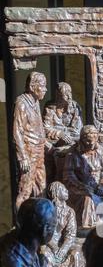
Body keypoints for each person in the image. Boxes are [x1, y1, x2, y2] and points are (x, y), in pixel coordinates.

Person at [63, 125, 103, 229]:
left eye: (94, 141)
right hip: (78, 186)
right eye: (88, 141)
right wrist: (81, 185)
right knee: (88, 198)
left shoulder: (101, 151)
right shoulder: (73, 153)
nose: (91, 144)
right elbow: (68, 174)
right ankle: (87, 226)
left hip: (96, 184)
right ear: (82, 139)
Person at [13, 72, 48, 209]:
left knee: (41, 187)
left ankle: (40, 222)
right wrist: (23, 157)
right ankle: (21, 227)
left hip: (39, 153)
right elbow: (17, 131)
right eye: (43, 86)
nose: (45, 89)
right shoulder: (21, 103)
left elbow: (39, 127)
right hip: (29, 153)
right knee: (25, 191)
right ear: (33, 87)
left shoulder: (35, 102)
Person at [41, 181, 84, 267]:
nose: (67, 191)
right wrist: (54, 247)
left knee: (76, 253)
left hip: (63, 246)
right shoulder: (47, 210)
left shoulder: (69, 212)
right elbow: (43, 232)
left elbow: (71, 234)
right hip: (49, 245)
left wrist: (63, 249)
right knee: (44, 255)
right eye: (63, 189)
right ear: (56, 192)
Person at [43, 82, 83, 183]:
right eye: (65, 94)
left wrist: (66, 134)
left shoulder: (75, 107)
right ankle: (55, 181)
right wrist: (60, 134)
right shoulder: (49, 107)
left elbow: (78, 129)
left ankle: (72, 180)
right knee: (49, 152)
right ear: (58, 95)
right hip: (54, 141)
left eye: (70, 93)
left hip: (72, 139)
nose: (69, 97)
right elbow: (45, 128)